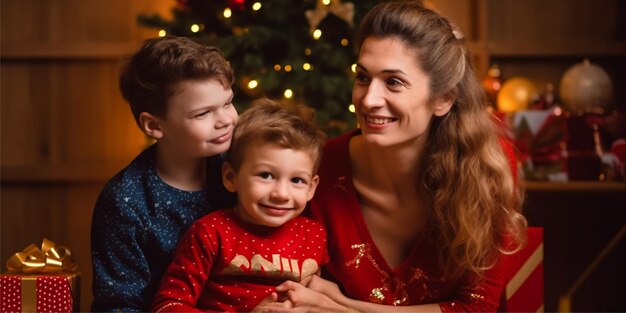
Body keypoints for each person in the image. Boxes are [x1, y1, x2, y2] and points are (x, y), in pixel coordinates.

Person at [265, 1, 528, 312]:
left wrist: (343, 307)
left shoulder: (487, 167)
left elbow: (475, 309)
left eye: (393, 82)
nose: (369, 99)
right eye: (362, 77)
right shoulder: (314, 170)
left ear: (443, 99)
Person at [90, 36, 238, 312]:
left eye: (228, 103)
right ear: (154, 125)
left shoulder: (244, 167)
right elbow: (119, 305)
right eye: (203, 113)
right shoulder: (125, 201)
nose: (226, 120)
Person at [151, 98, 328, 312]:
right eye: (265, 175)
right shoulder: (210, 233)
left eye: (297, 180)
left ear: (311, 187)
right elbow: (169, 305)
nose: (281, 194)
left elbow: (321, 297)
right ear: (231, 177)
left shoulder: (314, 234)